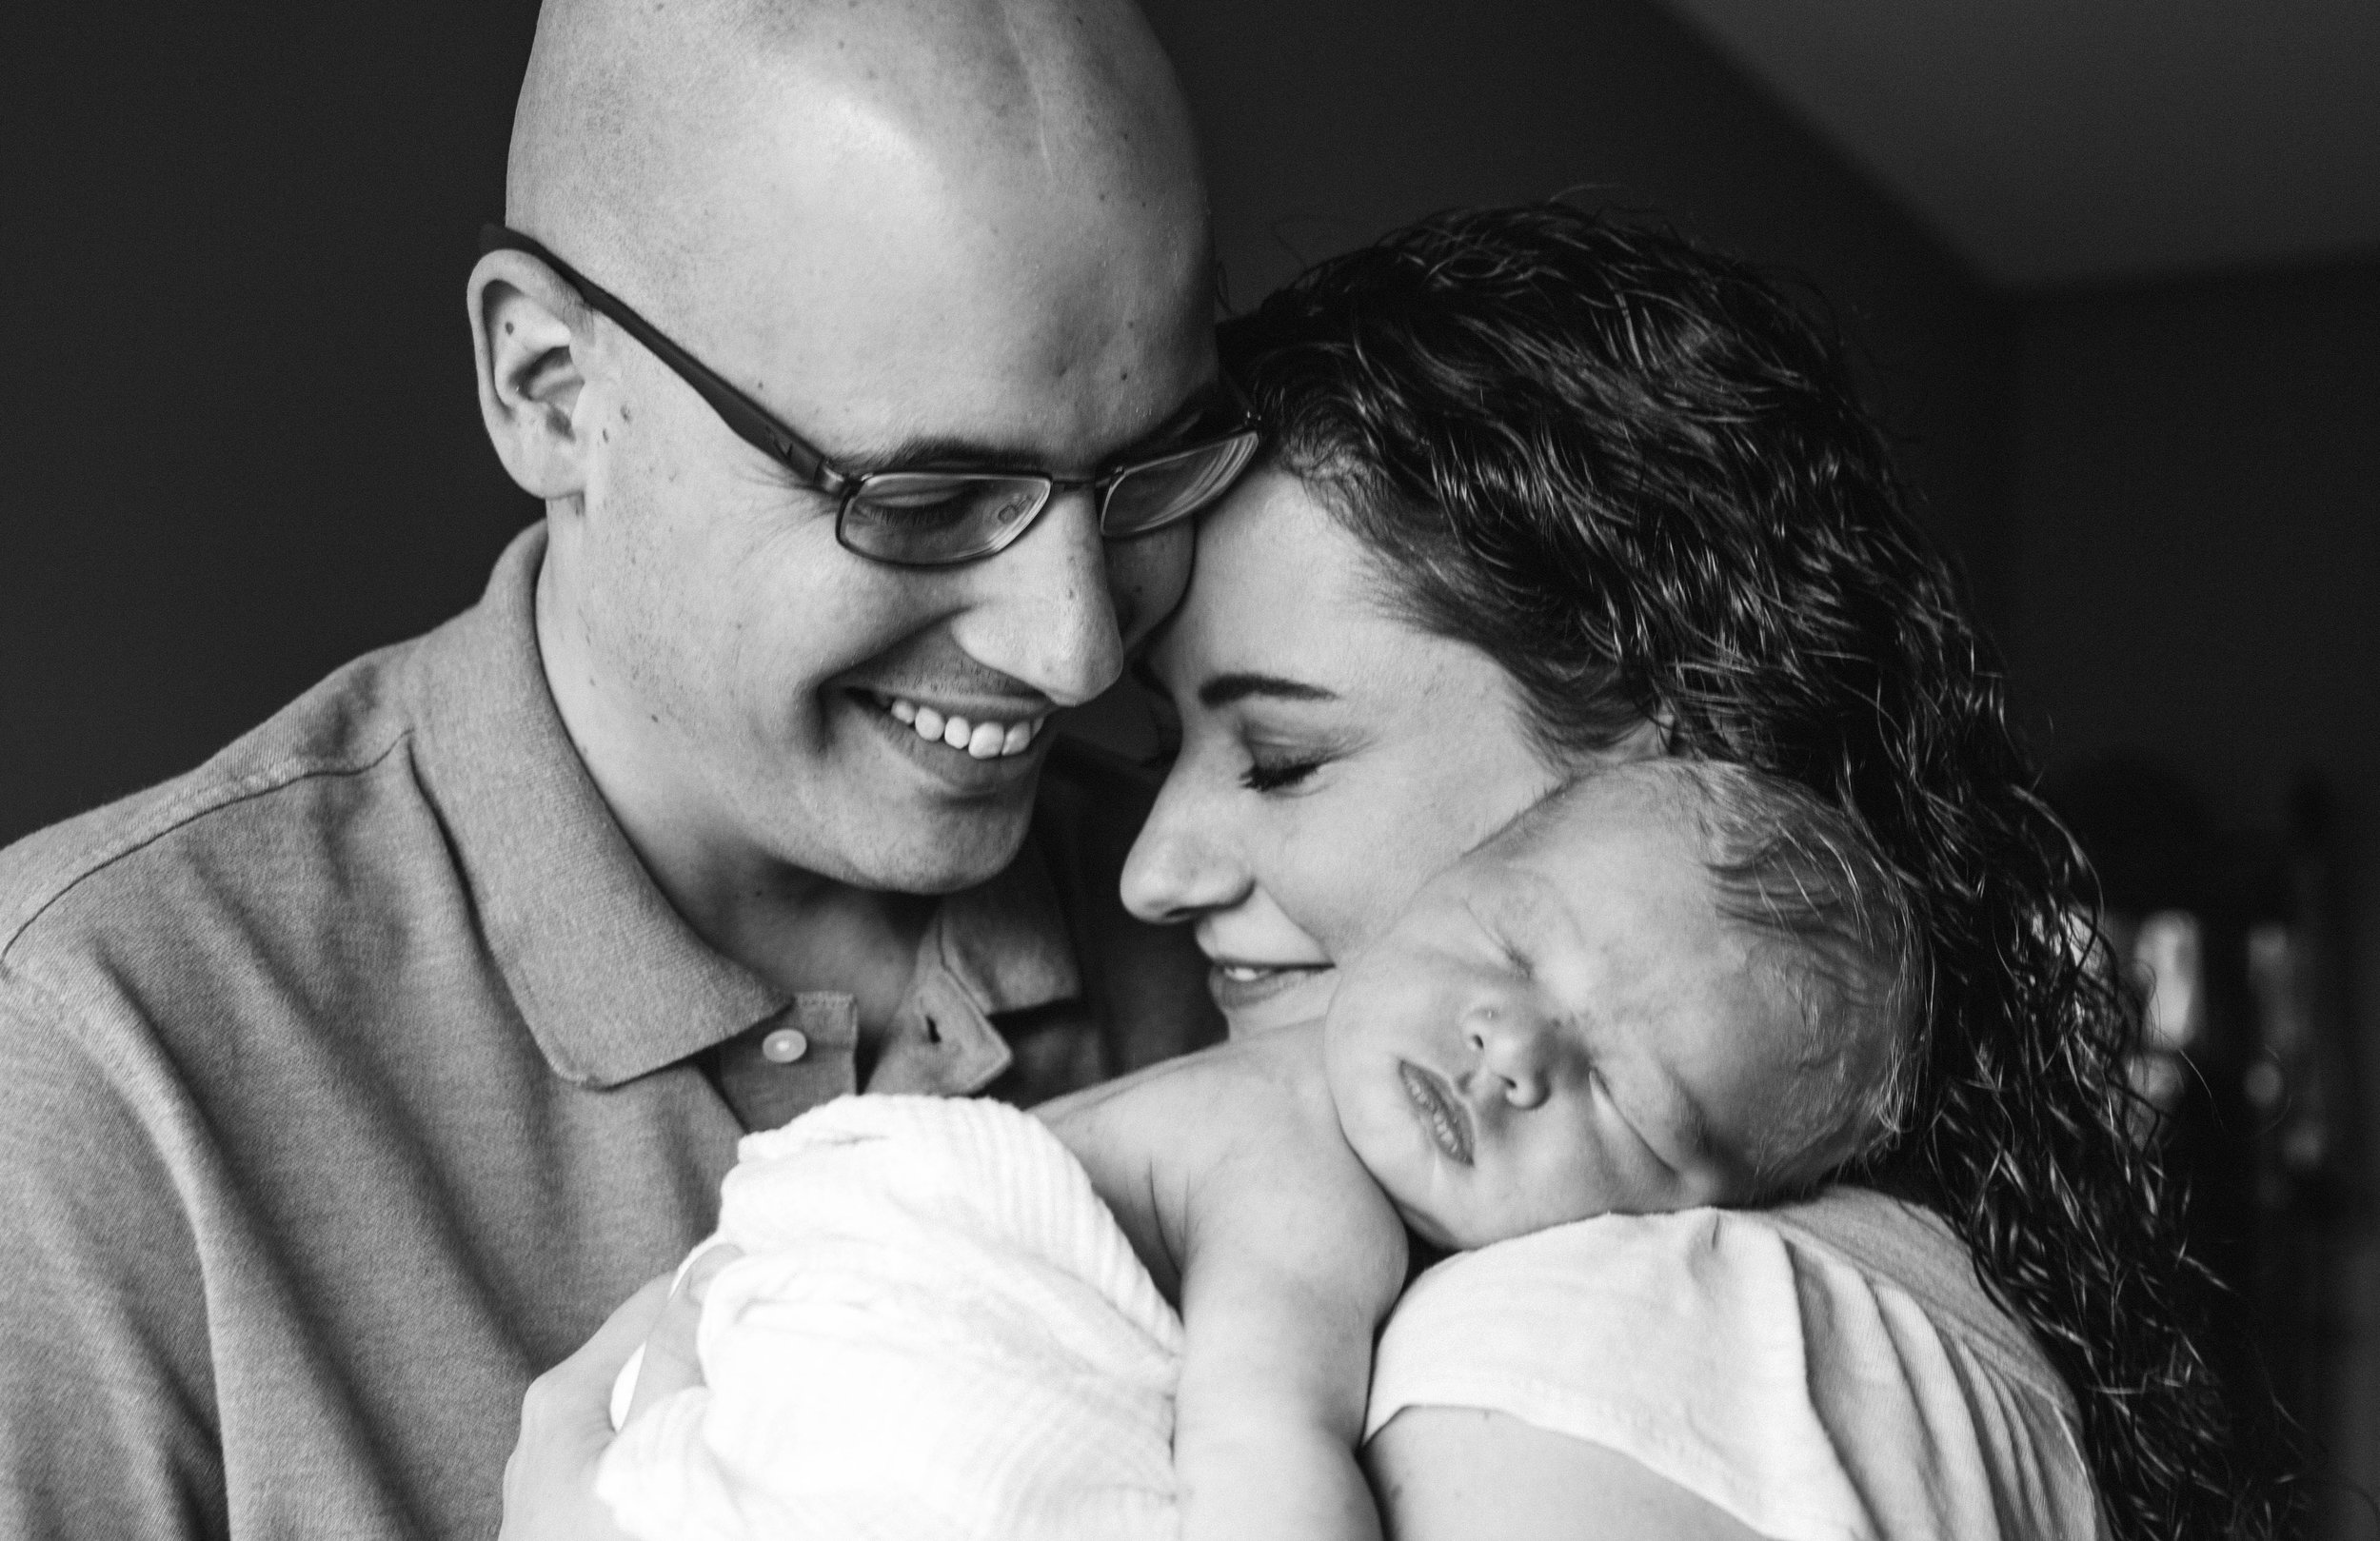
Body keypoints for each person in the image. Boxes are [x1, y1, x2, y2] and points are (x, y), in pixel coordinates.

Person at [0, 0, 1252, 1536]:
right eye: (926, 500)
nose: (1079, 650)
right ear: (550, 388)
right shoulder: (89, 1075)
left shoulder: (1263, 938)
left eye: (1151, 471)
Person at [1112, 206, 2274, 1539]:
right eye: (1163, 743)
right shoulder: (1854, 1316)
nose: (1153, 870)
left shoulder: (1582, 1359)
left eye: (1281, 759)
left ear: (1651, 768)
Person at [593, 759, 1922, 1541]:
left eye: (1626, 1098)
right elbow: (1260, 1451)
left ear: (1705, 1215)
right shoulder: (1302, 1171)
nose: (1511, 1049)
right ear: (1434, 889)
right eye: (1508, 947)